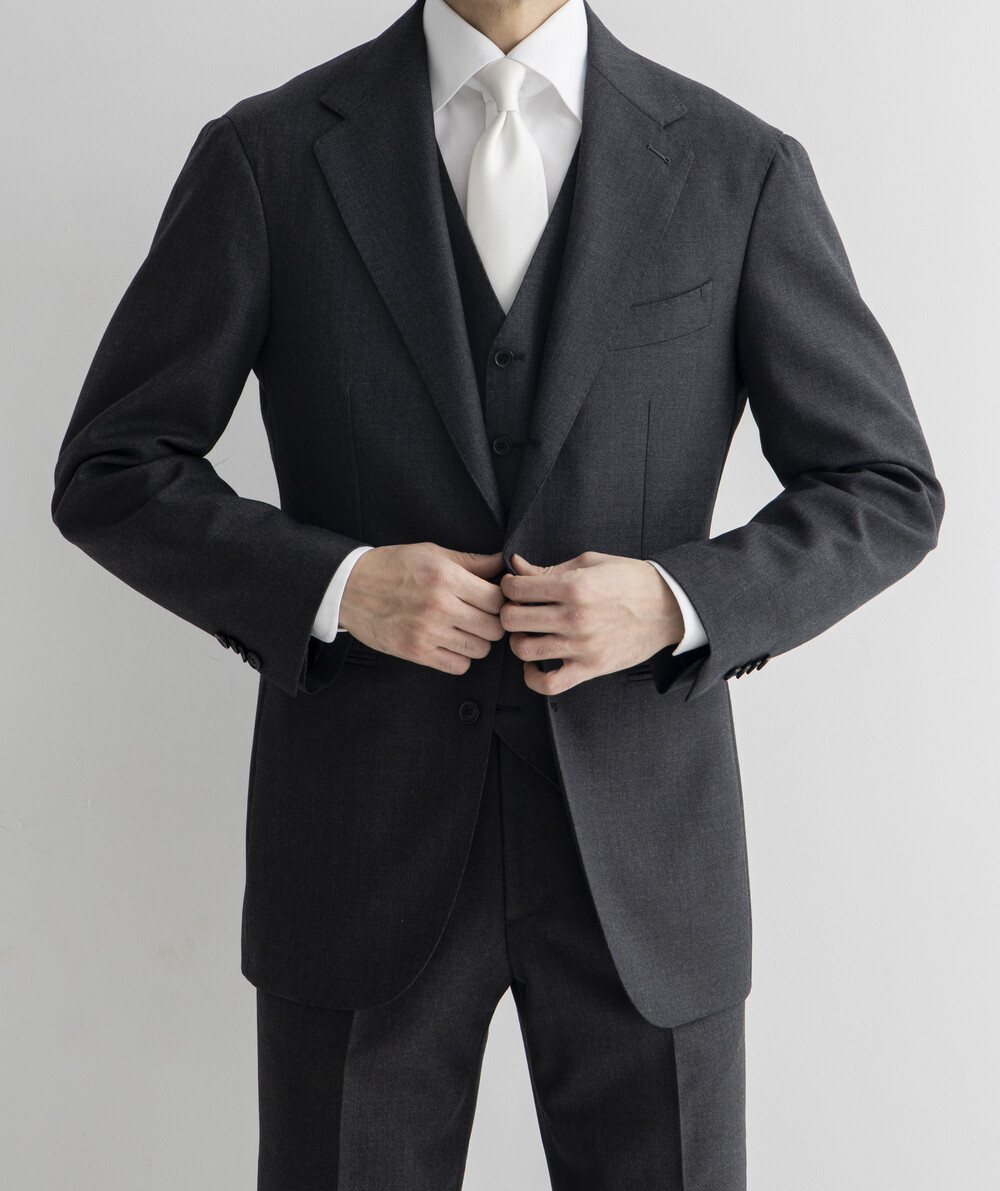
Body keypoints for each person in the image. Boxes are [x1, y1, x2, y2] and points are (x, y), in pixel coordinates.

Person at [51, 0, 944, 1186]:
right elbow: (115, 469)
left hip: (645, 863)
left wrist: (677, 601)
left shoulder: (738, 166)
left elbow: (883, 485)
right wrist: (339, 585)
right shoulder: (267, 156)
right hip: (359, 845)